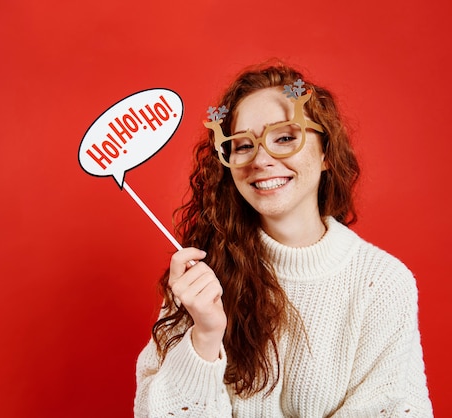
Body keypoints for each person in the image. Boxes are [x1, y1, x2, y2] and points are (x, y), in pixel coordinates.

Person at [134, 62, 433, 417]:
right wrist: (205, 337)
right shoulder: (201, 276)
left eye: (286, 138)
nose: (261, 159)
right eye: (242, 145)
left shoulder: (381, 282)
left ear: (325, 153)